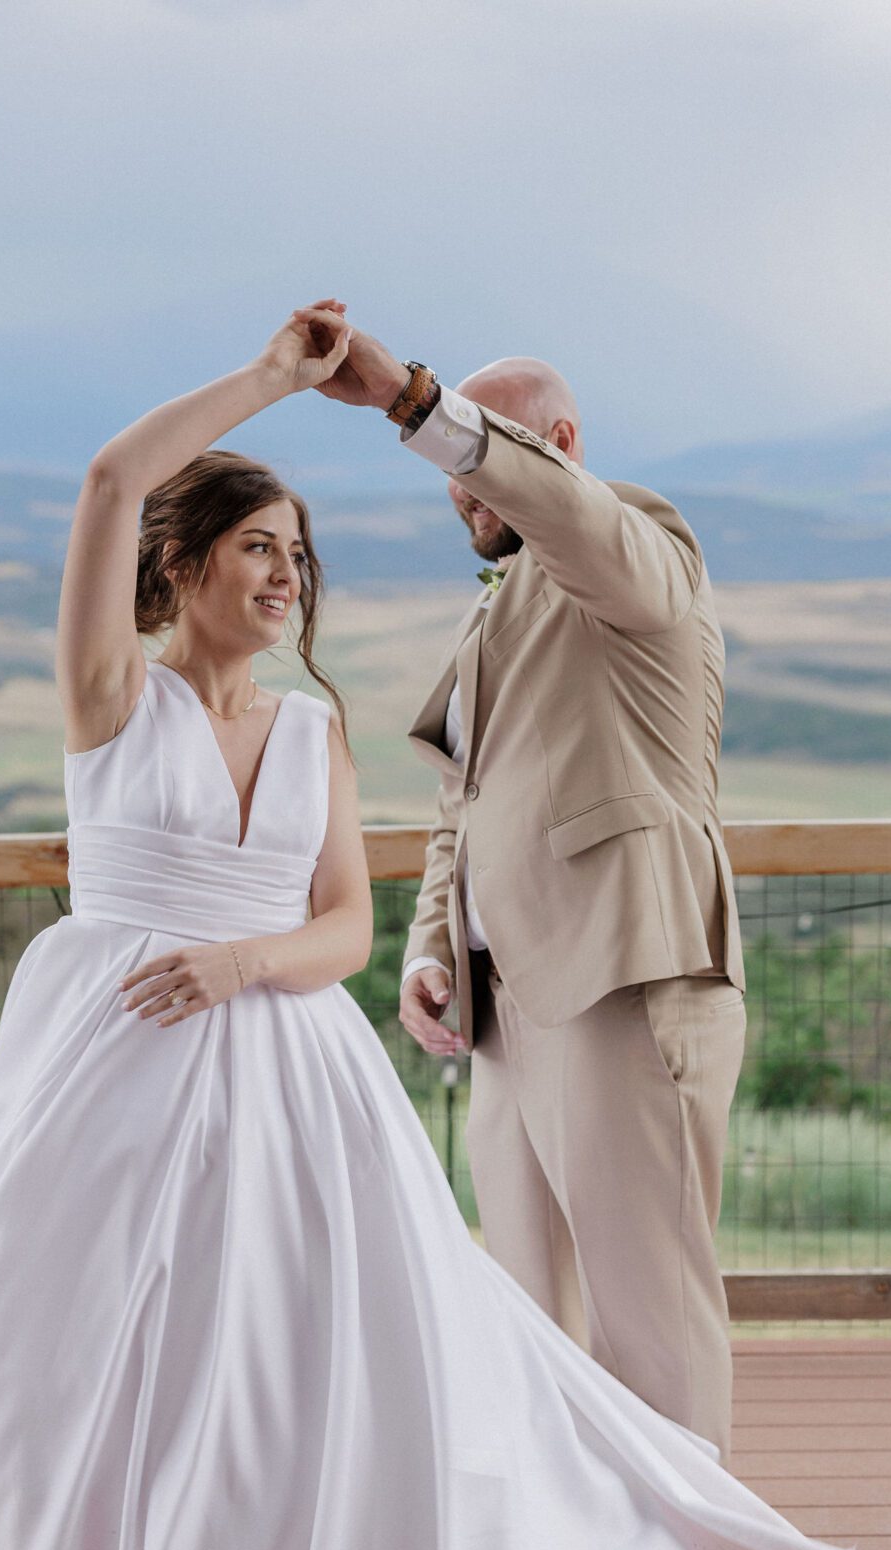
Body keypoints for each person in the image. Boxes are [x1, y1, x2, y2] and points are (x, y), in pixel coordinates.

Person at [0, 309, 855, 1550]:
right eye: (258, 548)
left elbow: (332, 918)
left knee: (295, 1382)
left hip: (296, 1080)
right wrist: (274, 381)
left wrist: (245, 966)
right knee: (110, 1380)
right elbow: (107, 480)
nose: (284, 576)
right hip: (113, 1075)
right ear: (181, 566)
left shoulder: (382, 692)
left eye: (299, 557)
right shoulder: (109, 706)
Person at [303, 301, 744, 1461]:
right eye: (454, 465)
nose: (464, 486)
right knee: (529, 1319)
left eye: (487, 455)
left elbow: (559, 510)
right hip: (506, 1014)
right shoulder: (498, 609)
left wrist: (413, 402)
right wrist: (429, 946)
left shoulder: (636, 552)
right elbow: (467, 804)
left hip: (623, 982)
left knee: (649, 1317)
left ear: (564, 444)